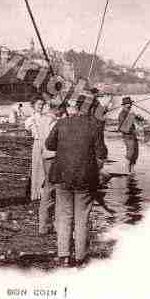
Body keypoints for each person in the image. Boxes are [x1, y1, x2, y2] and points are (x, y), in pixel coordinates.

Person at [44, 94, 107, 267]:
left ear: (77, 107)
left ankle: (63, 255)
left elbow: (49, 145)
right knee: (82, 217)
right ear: (91, 109)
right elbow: (102, 154)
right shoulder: (95, 126)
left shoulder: (62, 123)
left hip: (62, 176)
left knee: (64, 216)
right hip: (85, 179)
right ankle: (80, 257)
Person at [37, 99, 60, 235]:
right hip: (53, 157)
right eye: (62, 108)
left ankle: (44, 224)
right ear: (56, 109)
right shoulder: (54, 122)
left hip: (45, 156)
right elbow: (55, 142)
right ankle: (47, 225)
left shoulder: (42, 120)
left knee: (48, 189)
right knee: (54, 191)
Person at [24, 98, 46, 201]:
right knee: (36, 168)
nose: (41, 106)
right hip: (38, 143)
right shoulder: (30, 119)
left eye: (42, 104)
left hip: (46, 144)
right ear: (33, 105)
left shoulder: (47, 117)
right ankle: (35, 193)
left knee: (45, 168)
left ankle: (43, 193)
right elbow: (31, 131)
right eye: (39, 104)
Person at [118, 97, 144, 173]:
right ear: (124, 105)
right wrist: (132, 118)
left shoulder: (130, 112)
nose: (130, 105)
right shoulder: (122, 114)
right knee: (131, 152)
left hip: (133, 135)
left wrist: (139, 118)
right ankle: (126, 170)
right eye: (128, 104)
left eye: (130, 103)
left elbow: (139, 120)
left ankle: (132, 170)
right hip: (127, 136)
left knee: (135, 153)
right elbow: (123, 127)